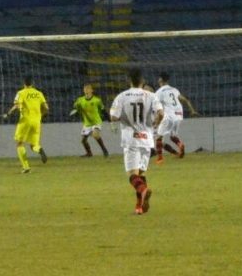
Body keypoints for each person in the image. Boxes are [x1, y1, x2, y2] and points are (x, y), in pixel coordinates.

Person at [109, 68, 164, 215]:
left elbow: (114, 117)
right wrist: (155, 124)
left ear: (129, 81)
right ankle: (139, 207)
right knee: (142, 174)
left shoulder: (121, 96)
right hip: (146, 140)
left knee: (132, 176)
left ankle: (144, 190)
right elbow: (161, 113)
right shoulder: (151, 96)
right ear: (142, 81)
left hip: (131, 139)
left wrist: (122, 118)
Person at [3, 76, 49, 173]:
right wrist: (41, 115)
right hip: (37, 121)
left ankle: (26, 167)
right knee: (34, 145)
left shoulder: (21, 93)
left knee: (19, 143)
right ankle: (39, 149)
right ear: (33, 83)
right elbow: (46, 108)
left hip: (25, 121)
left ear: (24, 84)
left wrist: (8, 114)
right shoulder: (39, 93)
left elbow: (16, 105)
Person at [154, 73, 198, 164]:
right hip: (179, 115)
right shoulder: (174, 89)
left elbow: (158, 108)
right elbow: (186, 100)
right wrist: (192, 110)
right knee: (173, 136)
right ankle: (180, 144)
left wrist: (157, 120)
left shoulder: (159, 92)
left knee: (158, 138)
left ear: (160, 80)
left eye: (159, 78)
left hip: (169, 115)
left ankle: (160, 158)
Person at [70, 83, 109, 157]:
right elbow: (76, 109)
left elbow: (104, 111)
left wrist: (110, 121)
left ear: (92, 90)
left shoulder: (97, 100)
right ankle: (89, 153)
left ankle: (104, 150)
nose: (86, 90)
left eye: (88, 88)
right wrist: (75, 112)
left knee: (95, 135)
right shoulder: (80, 100)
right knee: (83, 141)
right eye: (85, 89)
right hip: (87, 123)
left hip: (96, 121)